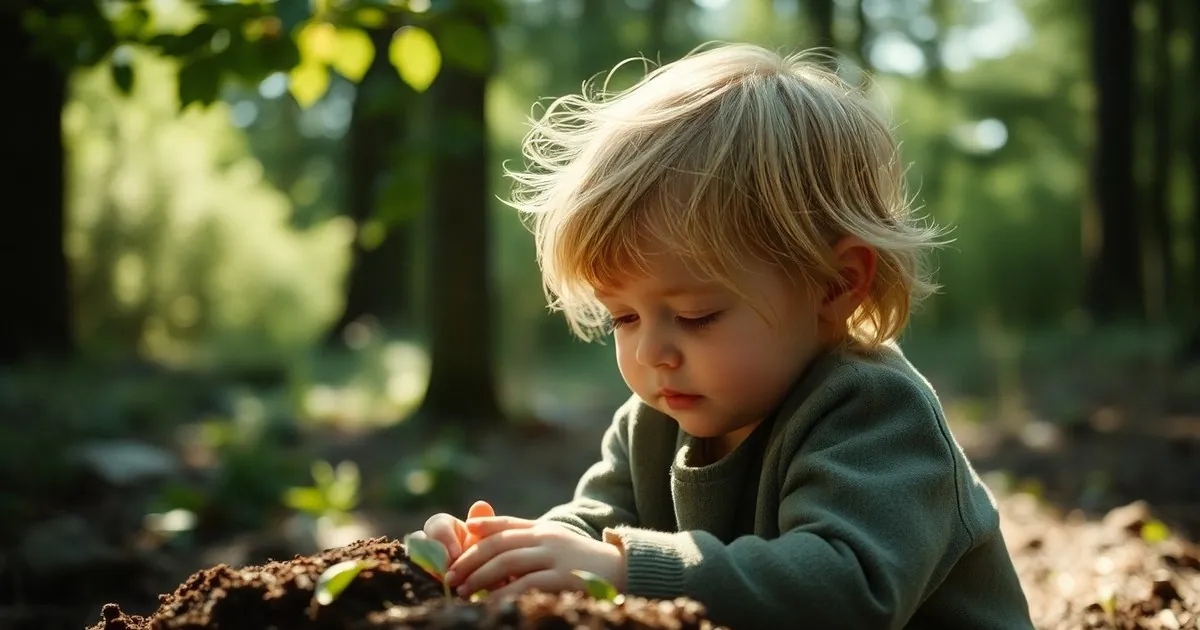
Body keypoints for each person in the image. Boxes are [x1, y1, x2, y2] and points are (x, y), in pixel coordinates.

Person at [417, 42, 1035, 629]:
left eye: (695, 316)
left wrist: (628, 570)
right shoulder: (653, 422)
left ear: (834, 284)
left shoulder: (876, 413)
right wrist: (505, 551)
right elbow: (596, 525)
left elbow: (848, 591)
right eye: (623, 318)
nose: (651, 353)